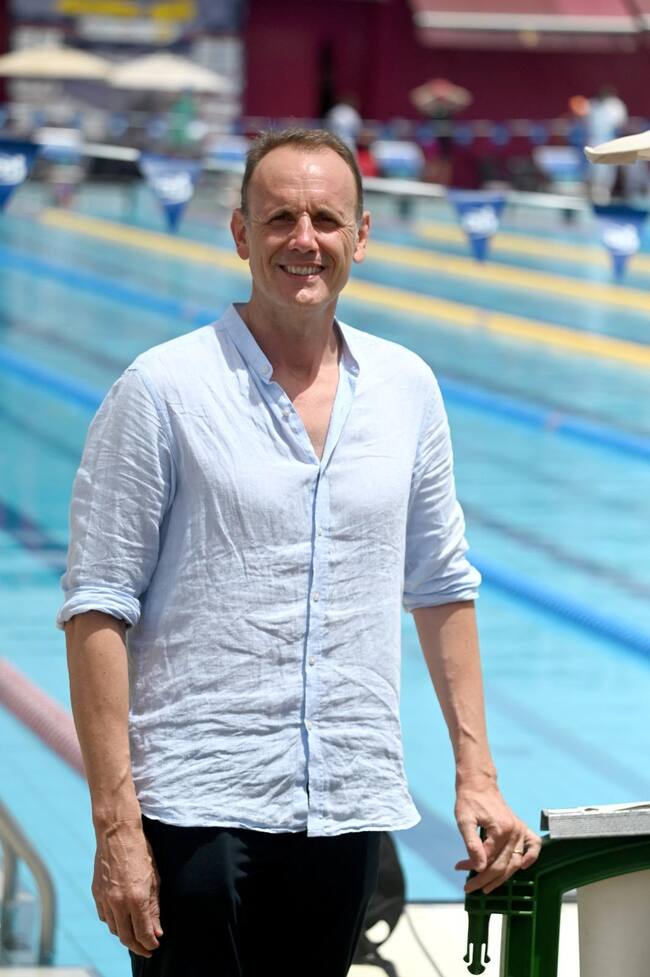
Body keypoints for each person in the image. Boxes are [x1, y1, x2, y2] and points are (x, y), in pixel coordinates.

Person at [59, 127, 541, 977]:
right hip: (195, 803)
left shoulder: (406, 389)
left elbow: (440, 584)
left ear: (362, 235)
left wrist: (477, 773)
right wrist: (117, 824)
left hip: (345, 802)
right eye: (280, 217)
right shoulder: (163, 388)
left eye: (326, 218)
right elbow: (97, 604)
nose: (304, 239)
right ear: (241, 233)